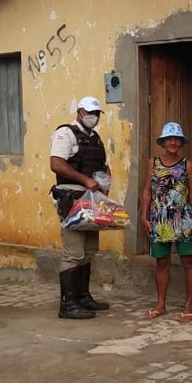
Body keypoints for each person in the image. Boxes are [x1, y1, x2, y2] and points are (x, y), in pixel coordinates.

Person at [50, 96, 111, 319]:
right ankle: (68, 304)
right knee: (74, 252)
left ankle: (83, 297)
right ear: (79, 112)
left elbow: (103, 165)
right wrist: (85, 180)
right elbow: (56, 163)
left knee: (89, 251)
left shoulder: (95, 138)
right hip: (72, 198)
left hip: (92, 200)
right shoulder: (65, 133)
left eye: (96, 113)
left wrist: (105, 183)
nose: (93, 117)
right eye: (89, 112)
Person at [140, 122, 192, 323]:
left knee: (188, 262)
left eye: (177, 139)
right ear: (163, 141)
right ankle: (160, 304)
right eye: (170, 138)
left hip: (183, 220)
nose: (173, 142)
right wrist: (144, 216)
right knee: (162, 263)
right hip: (159, 221)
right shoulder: (153, 163)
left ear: (181, 142)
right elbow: (147, 191)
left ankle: (189, 305)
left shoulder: (187, 165)